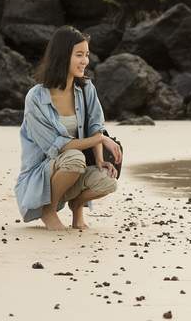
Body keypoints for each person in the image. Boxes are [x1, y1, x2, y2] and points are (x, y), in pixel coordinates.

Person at [15, 26, 122, 230]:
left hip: (75, 167)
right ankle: (49, 210)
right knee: (74, 157)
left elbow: (95, 127)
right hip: (45, 171)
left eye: (87, 55)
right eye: (79, 55)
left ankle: (77, 204)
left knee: (108, 181)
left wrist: (100, 160)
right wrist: (100, 140)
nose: (85, 61)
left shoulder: (86, 88)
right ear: (63, 56)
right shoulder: (36, 98)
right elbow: (57, 147)